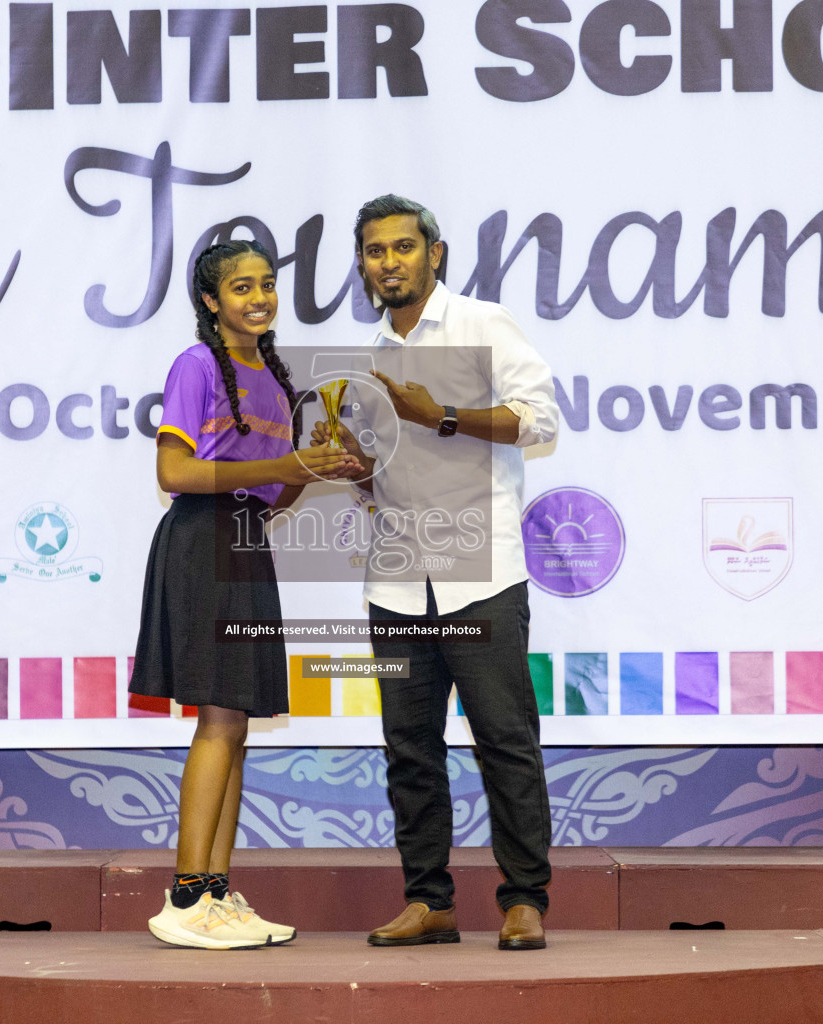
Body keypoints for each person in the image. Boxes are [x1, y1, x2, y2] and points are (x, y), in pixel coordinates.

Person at [315, 195, 560, 951]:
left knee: (504, 740)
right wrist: (356, 472)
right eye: (374, 251)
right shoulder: (367, 358)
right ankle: (430, 901)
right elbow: (384, 470)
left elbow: (542, 421)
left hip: (480, 575)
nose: (388, 262)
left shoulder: (483, 325)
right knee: (409, 749)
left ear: (435, 254)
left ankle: (524, 900)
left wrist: (444, 416)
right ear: (362, 264)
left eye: (402, 248)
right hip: (394, 579)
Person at [132, 239, 361, 949]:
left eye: (267, 284)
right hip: (202, 543)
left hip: (247, 541)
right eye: (241, 287)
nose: (258, 297)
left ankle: (217, 893)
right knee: (218, 720)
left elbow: (274, 490)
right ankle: (185, 896)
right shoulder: (196, 365)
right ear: (211, 301)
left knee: (234, 725)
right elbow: (174, 471)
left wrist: (319, 467)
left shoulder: (274, 378)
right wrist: (286, 461)